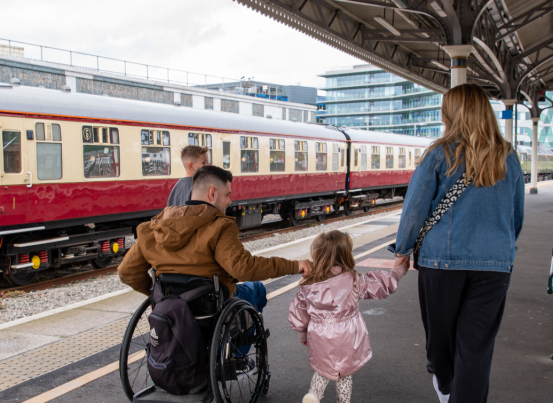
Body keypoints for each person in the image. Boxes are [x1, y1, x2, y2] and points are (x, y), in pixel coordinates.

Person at [391, 84, 525, 403]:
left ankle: (448, 386)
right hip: (494, 266)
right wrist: (497, 247)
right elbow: (515, 216)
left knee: (440, 345)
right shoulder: (508, 157)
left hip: (441, 264)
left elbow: (415, 208)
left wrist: (402, 251)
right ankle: (455, 391)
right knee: (475, 349)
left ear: (450, 113)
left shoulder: (439, 154)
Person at [119, 165, 313, 317]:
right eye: (227, 194)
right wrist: (294, 265)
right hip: (212, 307)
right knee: (257, 290)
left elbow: (127, 271)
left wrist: (158, 295)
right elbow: (244, 268)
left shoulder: (153, 229)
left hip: (169, 305)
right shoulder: (220, 226)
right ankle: (238, 355)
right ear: (212, 193)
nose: (230, 201)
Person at [288, 230, 408, 403]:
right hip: (347, 335)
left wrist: (302, 333)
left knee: (323, 370)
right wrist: (399, 270)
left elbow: (299, 309)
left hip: (320, 335)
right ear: (346, 254)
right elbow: (382, 284)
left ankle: (313, 394)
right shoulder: (354, 279)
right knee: (344, 375)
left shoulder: (310, 282)